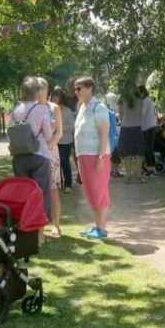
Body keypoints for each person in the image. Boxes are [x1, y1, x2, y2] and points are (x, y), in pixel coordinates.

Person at [10, 77, 54, 222]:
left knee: (23, 191)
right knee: (40, 192)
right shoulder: (42, 109)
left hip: (19, 155)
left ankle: (24, 223)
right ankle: (39, 229)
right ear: (36, 92)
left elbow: (11, 131)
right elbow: (48, 135)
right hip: (39, 154)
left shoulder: (16, 109)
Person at [73, 76, 111, 239]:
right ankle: (97, 226)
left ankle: (102, 229)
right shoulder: (82, 107)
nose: (76, 92)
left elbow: (104, 134)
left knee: (99, 190)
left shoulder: (98, 107)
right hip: (84, 156)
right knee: (90, 191)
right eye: (75, 89)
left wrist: (100, 156)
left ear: (90, 88)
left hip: (96, 155)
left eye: (79, 88)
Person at [43, 80, 64, 237]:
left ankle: (56, 224)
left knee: (53, 189)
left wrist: (48, 145)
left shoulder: (53, 108)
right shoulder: (31, 108)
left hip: (51, 152)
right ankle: (38, 223)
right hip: (34, 153)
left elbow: (59, 132)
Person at [117, 88, 146, 184]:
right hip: (137, 128)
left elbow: (120, 116)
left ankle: (128, 177)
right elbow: (141, 115)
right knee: (139, 155)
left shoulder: (122, 100)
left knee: (127, 155)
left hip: (125, 129)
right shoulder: (140, 100)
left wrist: (126, 120)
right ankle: (139, 177)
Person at [52, 86, 76, 192]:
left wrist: (59, 128)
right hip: (53, 141)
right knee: (54, 163)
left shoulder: (68, 111)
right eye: (53, 96)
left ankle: (68, 184)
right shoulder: (49, 110)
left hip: (65, 140)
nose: (53, 99)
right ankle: (58, 182)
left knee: (64, 161)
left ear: (61, 98)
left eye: (56, 97)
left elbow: (72, 126)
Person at [138, 85, 158, 177]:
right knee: (147, 149)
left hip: (149, 127)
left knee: (148, 148)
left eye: (139, 94)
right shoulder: (148, 100)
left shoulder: (146, 101)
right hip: (148, 126)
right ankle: (149, 168)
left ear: (142, 92)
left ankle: (152, 169)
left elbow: (141, 113)